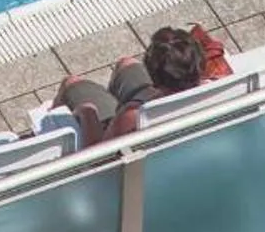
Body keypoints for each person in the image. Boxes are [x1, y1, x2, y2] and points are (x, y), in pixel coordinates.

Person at [53, 24, 231, 145]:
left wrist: (87, 114)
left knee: (72, 83)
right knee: (126, 63)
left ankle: (47, 127)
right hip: (176, 127)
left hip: (133, 153)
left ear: (152, 74)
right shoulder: (220, 90)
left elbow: (97, 160)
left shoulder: (134, 115)